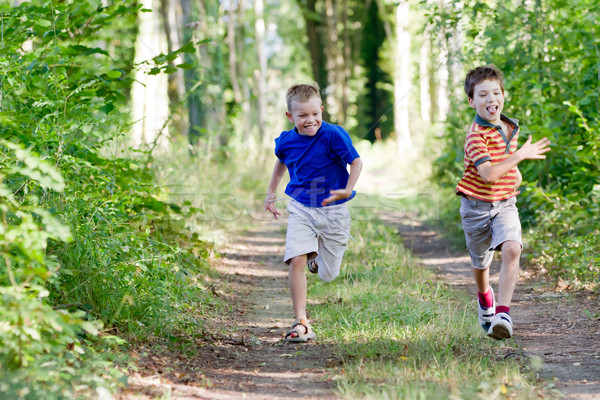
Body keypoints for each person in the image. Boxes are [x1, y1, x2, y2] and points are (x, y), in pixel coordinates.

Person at [456, 65, 551, 340]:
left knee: (512, 248)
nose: (491, 99)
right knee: (481, 263)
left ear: (503, 95)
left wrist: (515, 175)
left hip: (505, 204)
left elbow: (507, 163)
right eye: (483, 94)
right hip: (475, 208)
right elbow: (487, 175)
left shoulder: (510, 128)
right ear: (472, 101)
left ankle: (504, 313)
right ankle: (485, 297)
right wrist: (520, 157)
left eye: (496, 92)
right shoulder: (475, 135)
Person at [264, 83, 362, 342]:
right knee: (296, 258)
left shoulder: (333, 135)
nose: (311, 121)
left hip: (334, 210)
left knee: (329, 275)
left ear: (321, 110)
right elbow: (281, 161)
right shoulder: (286, 140)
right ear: (290, 117)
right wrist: (270, 192)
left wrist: (347, 190)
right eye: (303, 116)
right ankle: (301, 321)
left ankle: (316, 260)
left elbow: (356, 161)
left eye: (315, 114)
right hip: (301, 207)